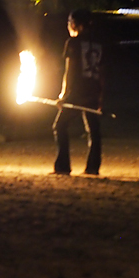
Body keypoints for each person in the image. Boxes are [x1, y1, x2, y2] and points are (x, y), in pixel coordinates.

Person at [52, 9, 105, 175]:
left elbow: (70, 70)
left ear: (77, 24)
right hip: (93, 90)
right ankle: (93, 167)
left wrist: (64, 94)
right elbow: (102, 72)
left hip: (77, 92)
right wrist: (101, 96)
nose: (68, 25)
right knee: (93, 129)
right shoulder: (99, 43)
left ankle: (63, 166)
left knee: (60, 126)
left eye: (70, 22)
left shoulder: (73, 43)